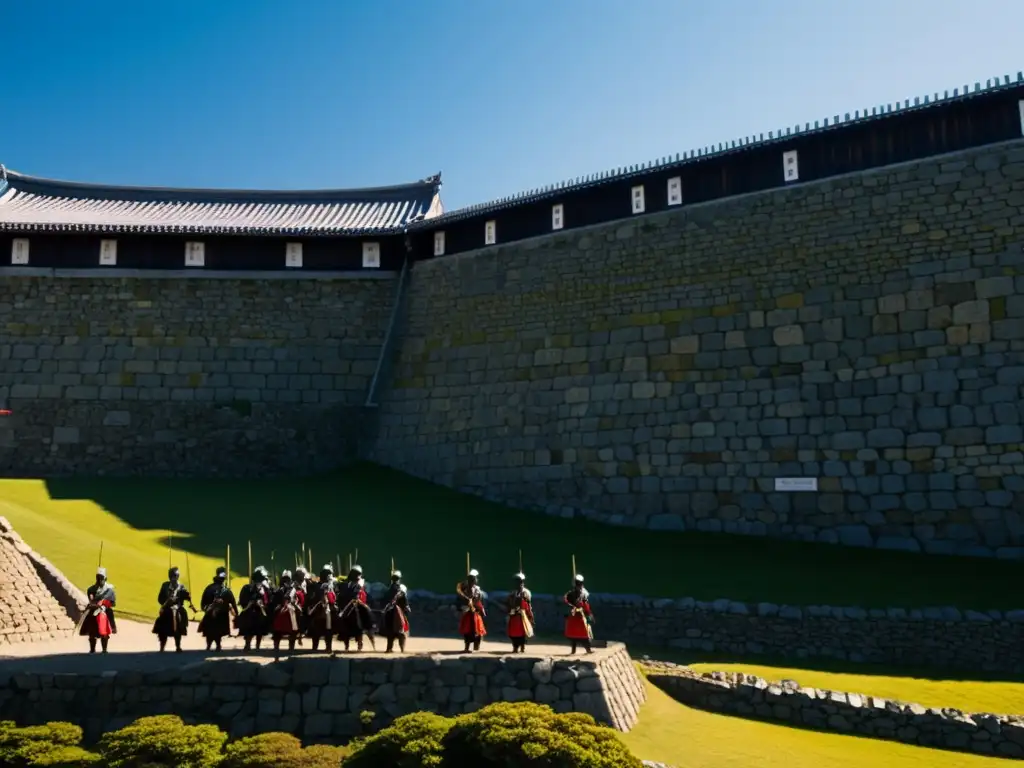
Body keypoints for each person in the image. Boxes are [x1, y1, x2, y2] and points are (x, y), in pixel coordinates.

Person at [152, 566, 194, 653]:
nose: (175, 578)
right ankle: (162, 645)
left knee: (180, 618)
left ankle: (178, 645)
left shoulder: (181, 587)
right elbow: (160, 598)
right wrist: (166, 602)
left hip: (178, 607)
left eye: (176, 576)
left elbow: (186, 598)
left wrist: (188, 596)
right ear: (170, 576)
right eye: (173, 576)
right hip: (167, 607)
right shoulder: (165, 586)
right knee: (162, 621)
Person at [336, 565, 376, 651]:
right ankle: (343, 639)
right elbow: (342, 594)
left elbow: (363, 595)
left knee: (366, 611)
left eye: (359, 575)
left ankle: (369, 627)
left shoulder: (360, 584)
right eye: (357, 575)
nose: (359, 577)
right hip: (346, 604)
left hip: (357, 603)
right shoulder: (344, 584)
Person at [79, 567, 117, 654]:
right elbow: (91, 599)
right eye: (98, 578)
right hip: (94, 611)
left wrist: (104, 605)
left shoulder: (110, 590)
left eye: (101, 578)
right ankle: (92, 649)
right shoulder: (91, 589)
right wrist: (94, 604)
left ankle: (104, 649)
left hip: (105, 612)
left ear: (105, 579)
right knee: (92, 632)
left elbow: (113, 603)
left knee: (105, 632)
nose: (99, 580)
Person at [198, 566, 237, 651]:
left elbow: (203, 603)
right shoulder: (226, 590)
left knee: (210, 631)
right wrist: (236, 614)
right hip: (221, 615)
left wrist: (205, 609)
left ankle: (209, 645)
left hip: (211, 613)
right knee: (218, 632)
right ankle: (218, 645)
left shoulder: (209, 588)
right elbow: (233, 602)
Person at [270, 570, 305, 660]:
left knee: (292, 629)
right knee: (292, 629)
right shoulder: (289, 588)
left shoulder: (294, 587)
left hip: (289, 608)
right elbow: (286, 597)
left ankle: (286, 648)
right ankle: (282, 649)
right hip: (286, 609)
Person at [237, 566, 272, 651]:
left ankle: (257, 646)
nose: (258, 582)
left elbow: (267, 600)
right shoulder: (247, 588)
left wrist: (262, 604)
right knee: (249, 630)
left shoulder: (264, 589)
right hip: (249, 612)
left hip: (260, 612)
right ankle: (247, 644)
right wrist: (250, 603)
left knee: (259, 631)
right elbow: (242, 599)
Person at [306, 564, 339, 653]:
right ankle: (317, 647)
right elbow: (311, 598)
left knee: (328, 630)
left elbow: (334, 598)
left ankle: (327, 647)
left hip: (329, 610)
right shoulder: (316, 586)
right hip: (319, 609)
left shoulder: (332, 586)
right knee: (318, 629)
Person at [456, 568, 487, 653]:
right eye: (470, 579)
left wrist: (479, 608)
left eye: (473, 579)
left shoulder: (478, 590)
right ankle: (467, 647)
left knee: (477, 631)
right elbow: (460, 600)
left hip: (476, 613)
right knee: (467, 631)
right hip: (467, 613)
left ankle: (476, 647)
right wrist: (465, 599)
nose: (472, 581)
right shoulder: (464, 589)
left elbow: (479, 601)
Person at [380, 569, 411, 653]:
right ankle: (402, 649)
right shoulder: (401, 590)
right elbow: (404, 601)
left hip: (389, 612)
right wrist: (407, 608)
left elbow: (383, 601)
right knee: (402, 631)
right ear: (399, 579)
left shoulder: (388, 590)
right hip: (398, 612)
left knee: (390, 632)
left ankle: (389, 648)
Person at [564, 573, 594, 654]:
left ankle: (587, 650)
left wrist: (589, 614)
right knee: (577, 635)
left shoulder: (583, 594)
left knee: (583, 634)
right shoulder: (570, 594)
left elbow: (585, 605)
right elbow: (566, 602)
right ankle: (575, 651)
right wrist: (572, 606)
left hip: (579, 616)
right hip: (574, 616)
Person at [505, 572, 534, 653]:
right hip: (513, 615)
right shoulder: (512, 593)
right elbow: (508, 603)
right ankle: (515, 647)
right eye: (517, 582)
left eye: (520, 581)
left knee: (523, 632)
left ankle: (522, 646)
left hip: (522, 615)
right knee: (512, 633)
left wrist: (530, 615)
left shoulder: (526, 592)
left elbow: (528, 605)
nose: (518, 583)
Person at [292, 565, 312, 645]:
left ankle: (304, 632)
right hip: (296, 601)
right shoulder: (293, 583)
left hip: (304, 601)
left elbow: (308, 592)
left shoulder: (307, 582)